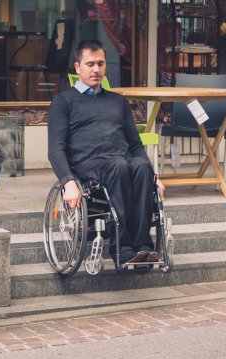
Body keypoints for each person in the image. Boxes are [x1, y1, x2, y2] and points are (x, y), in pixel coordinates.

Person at [47, 39, 164, 266]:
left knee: (141, 167)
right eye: (90, 64)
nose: (96, 69)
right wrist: (67, 181)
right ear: (77, 67)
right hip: (88, 165)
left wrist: (154, 176)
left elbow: (135, 145)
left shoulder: (118, 101)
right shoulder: (63, 102)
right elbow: (56, 149)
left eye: (100, 64)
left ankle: (142, 246)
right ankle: (122, 249)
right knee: (119, 167)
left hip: (121, 161)